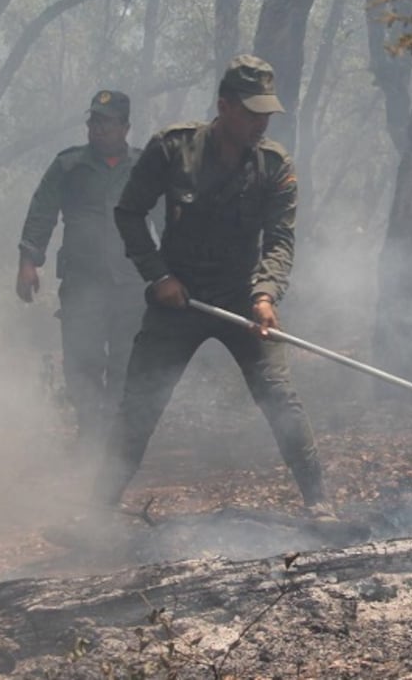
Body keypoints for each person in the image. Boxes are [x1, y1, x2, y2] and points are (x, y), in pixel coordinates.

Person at [97, 55, 330, 519]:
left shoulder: (274, 166)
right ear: (224, 106)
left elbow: (280, 240)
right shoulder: (171, 148)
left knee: (279, 397)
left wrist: (265, 295)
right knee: (139, 403)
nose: (261, 123)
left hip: (242, 299)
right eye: (251, 112)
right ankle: (95, 509)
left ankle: (320, 502)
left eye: (266, 113)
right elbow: (129, 213)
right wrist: (158, 275)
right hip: (177, 298)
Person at [16, 90, 145, 449]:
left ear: (125, 126)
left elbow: (166, 218)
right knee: (82, 364)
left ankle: (117, 443)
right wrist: (28, 261)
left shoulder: (144, 167)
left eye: (106, 122)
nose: (97, 129)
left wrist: (172, 271)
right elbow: (42, 212)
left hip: (131, 286)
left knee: (126, 364)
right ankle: (90, 435)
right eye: (93, 121)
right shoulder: (68, 166)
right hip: (82, 285)